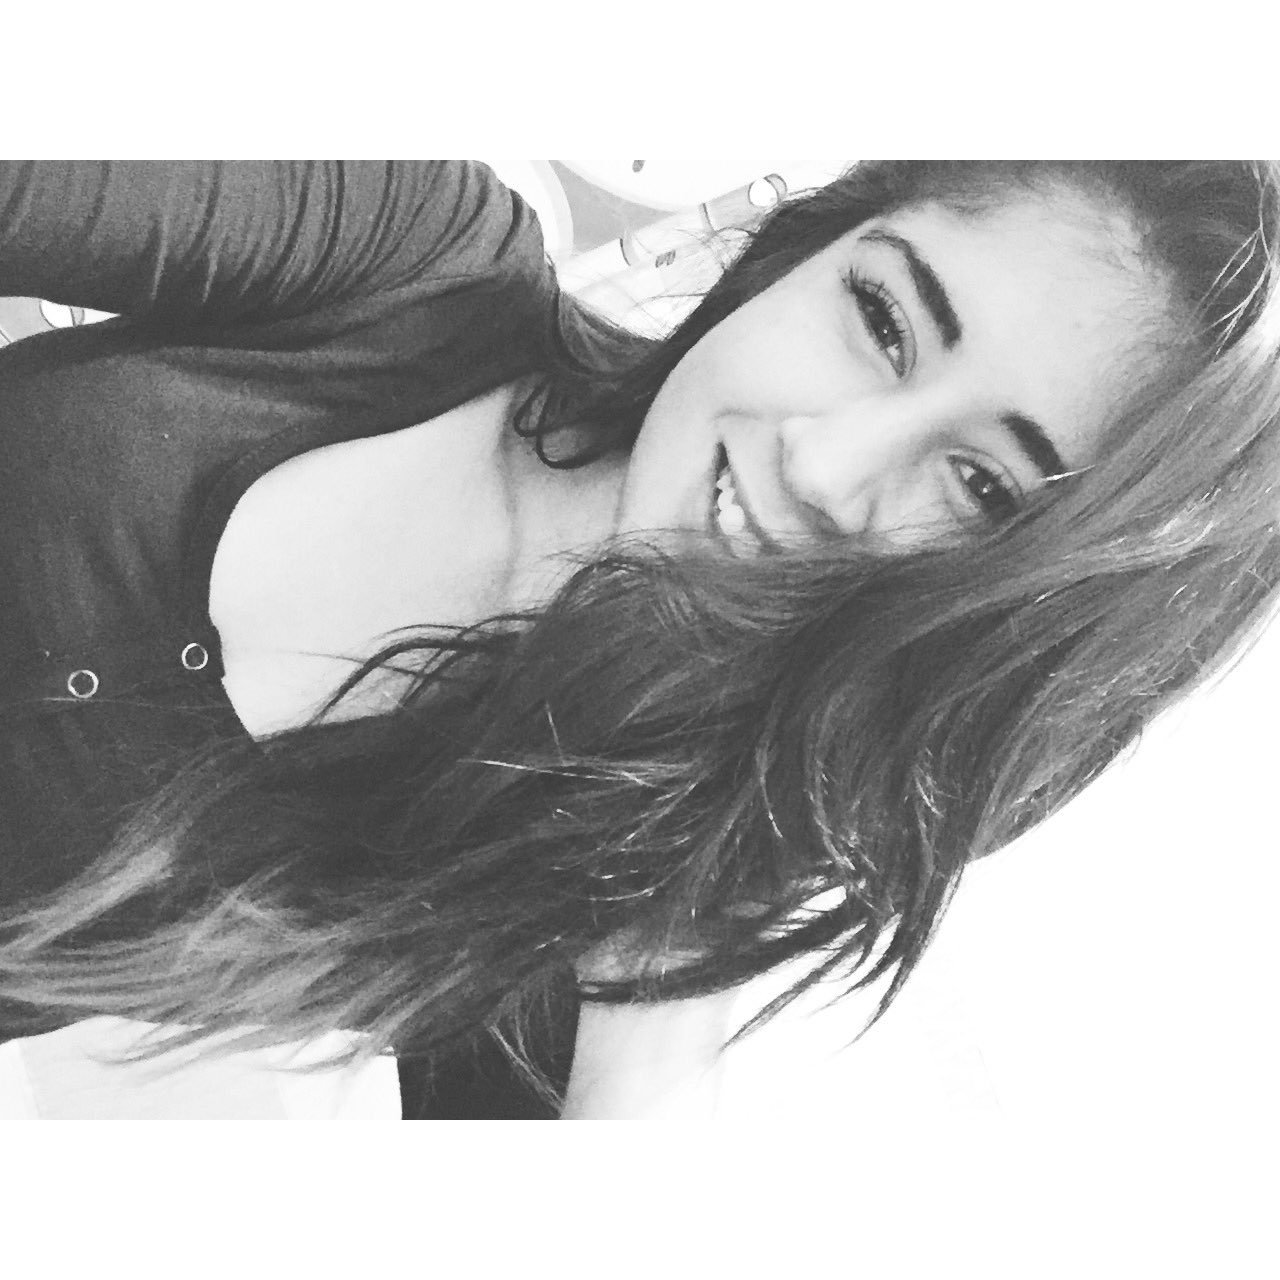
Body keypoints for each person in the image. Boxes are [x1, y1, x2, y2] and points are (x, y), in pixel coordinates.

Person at [0, 161, 1276, 1119]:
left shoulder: (573, 899)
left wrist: (666, 963)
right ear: (797, 255)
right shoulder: (415, 264)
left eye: (981, 487)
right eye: (880, 318)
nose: (824, 466)